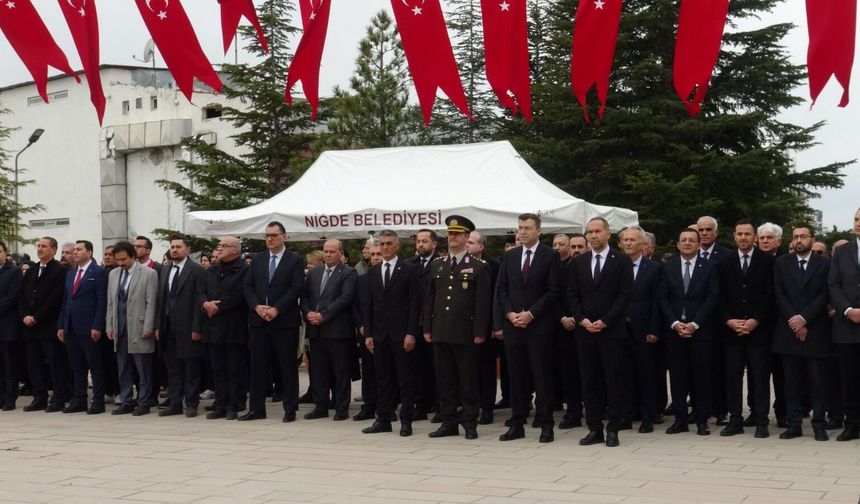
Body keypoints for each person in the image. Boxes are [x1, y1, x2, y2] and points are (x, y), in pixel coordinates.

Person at [423, 216, 491, 440]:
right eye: (450, 233)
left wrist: (480, 332)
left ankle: (470, 422)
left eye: (458, 234)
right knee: (446, 380)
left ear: (466, 237)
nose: (452, 237)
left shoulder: (478, 267)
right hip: (441, 330)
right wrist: (427, 326)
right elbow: (430, 298)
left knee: (468, 380)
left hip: (466, 333)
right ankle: (448, 421)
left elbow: (483, 303)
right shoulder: (438, 264)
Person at [567, 218, 634, 447]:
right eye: (589, 232)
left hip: (611, 331)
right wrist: (583, 319)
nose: (592, 235)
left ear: (608, 234)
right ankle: (594, 428)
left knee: (613, 380)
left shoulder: (621, 261)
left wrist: (605, 321)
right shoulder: (579, 262)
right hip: (585, 332)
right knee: (589, 380)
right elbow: (572, 295)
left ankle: (613, 428)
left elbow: (624, 295)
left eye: (597, 231)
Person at [496, 213, 560, 443]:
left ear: (539, 231)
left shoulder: (550, 256)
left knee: (541, 376)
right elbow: (501, 289)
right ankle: (517, 423)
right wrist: (510, 313)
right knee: (516, 377)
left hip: (538, 326)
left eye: (527, 228)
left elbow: (553, 291)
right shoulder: (511, 256)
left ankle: (545, 424)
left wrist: (531, 313)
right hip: (514, 325)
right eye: (520, 228)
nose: (522, 232)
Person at [241, 221, 304, 422]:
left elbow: (296, 288)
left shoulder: (294, 260)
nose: (269, 239)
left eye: (273, 235)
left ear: (284, 237)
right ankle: (256, 409)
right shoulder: (258, 259)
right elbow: (247, 287)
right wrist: (257, 307)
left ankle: (290, 408)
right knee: (258, 366)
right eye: (267, 235)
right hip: (259, 320)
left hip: (284, 321)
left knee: (287, 366)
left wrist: (277, 309)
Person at [361, 229, 421, 437]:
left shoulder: (409, 270)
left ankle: (406, 420)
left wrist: (411, 332)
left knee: (405, 379)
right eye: (382, 244)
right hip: (379, 334)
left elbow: (415, 304)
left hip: (402, 333)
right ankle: (383, 419)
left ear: (397, 246)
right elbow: (368, 306)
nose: (385, 247)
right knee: (382, 379)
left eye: (389, 244)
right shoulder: (373, 272)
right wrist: (368, 334)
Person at [717, 219, 774, 438]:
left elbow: (770, 295)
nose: (743, 238)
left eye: (747, 234)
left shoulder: (767, 262)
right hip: (731, 331)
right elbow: (719, 295)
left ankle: (761, 420)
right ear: (734, 236)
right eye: (739, 234)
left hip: (758, 331)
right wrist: (728, 320)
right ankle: (735, 420)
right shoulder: (724, 262)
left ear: (755, 237)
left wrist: (756, 320)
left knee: (759, 378)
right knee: (732, 378)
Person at [659, 228, 719, 435]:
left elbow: (712, 298)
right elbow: (662, 298)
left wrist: (695, 324)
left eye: (691, 240)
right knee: (677, 378)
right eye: (683, 240)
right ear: (677, 244)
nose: (687, 243)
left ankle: (702, 420)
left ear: (698, 244)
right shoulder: (668, 267)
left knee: (701, 377)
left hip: (700, 332)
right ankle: (680, 420)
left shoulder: (710, 267)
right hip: (675, 332)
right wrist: (675, 323)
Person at [773, 225, 831, 441]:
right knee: (792, 382)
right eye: (796, 237)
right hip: (788, 330)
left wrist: (804, 319)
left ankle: (819, 424)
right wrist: (795, 321)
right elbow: (779, 294)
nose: (799, 240)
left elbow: (825, 294)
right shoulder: (781, 263)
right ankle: (794, 423)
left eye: (803, 236)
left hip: (816, 330)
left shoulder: (824, 263)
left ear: (812, 239)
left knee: (818, 382)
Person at [301, 239, 357, 421]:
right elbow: (306, 296)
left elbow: (345, 298)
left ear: (341, 253)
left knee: (340, 370)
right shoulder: (315, 272)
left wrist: (324, 315)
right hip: (315, 329)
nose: (328, 255)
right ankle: (320, 405)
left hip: (337, 329)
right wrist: (308, 312)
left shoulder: (348, 272)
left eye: (332, 252)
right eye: (326, 251)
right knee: (319, 370)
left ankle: (341, 407)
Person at [105, 241, 158, 416]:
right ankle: (126, 400)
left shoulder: (149, 274)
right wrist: (110, 325)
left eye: (124, 259)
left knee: (143, 368)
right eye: (117, 259)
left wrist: (149, 326)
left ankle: (144, 401)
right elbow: (111, 302)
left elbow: (152, 302)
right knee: (123, 367)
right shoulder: (113, 274)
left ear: (133, 256)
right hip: (120, 327)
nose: (120, 263)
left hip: (139, 326)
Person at [155, 235, 206, 418]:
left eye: (178, 247)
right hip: (168, 325)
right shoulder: (166, 270)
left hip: (188, 326)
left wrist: (197, 328)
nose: (174, 250)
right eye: (172, 247)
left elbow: (200, 300)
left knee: (191, 367)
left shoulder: (197, 271)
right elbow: (161, 300)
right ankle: (175, 403)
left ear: (187, 250)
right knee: (173, 368)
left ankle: (191, 403)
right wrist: (158, 326)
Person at [58, 240, 109, 414]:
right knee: (77, 366)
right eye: (74, 250)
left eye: (79, 250)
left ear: (89, 252)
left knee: (95, 365)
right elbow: (66, 301)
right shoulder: (71, 273)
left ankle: (98, 400)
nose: (75, 253)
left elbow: (102, 301)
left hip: (89, 327)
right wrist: (62, 325)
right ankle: (79, 399)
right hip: (71, 326)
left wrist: (97, 325)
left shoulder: (99, 272)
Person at [620, 226, 663, 434]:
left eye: (632, 240)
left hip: (644, 328)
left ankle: (648, 416)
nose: (628, 243)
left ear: (642, 244)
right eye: (625, 240)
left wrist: (654, 328)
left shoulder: (653, 268)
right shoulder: (616, 265)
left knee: (646, 374)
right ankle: (626, 415)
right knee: (624, 374)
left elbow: (657, 301)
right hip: (619, 329)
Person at [201, 236, 248, 420]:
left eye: (224, 246)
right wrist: (205, 304)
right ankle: (220, 403)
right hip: (212, 326)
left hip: (233, 326)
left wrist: (217, 307)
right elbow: (201, 291)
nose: (219, 249)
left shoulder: (244, 270)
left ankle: (234, 404)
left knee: (234, 368)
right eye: (219, 246)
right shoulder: (212, 270)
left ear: (235, 250)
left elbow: (240, 295)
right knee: (217, 367)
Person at [828, 208, 860, 441]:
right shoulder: (841, 252)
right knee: (849, 379)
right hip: (846, 325)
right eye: (856, 220)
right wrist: (848, 310)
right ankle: (852, 425)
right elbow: (833, 284)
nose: (858, 224)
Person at [467, 230, 505, 424]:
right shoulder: (457, 264)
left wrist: (493, 325)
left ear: (481, 246)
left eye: (471, 242)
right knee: (468, 370)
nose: (467, 245)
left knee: (486, 370)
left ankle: (487, 407)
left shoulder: (494, 266)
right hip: (464, 327)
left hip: (486, 327)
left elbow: (495, 298)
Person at [407, 229, 440, 422]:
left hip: (435, 322)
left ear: (434, 244)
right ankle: (421, 405)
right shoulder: (409, 265)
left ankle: (439, 404)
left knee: (436, 366)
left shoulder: (441, 264)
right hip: (414, 323)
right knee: (417, 367)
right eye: (418, 241)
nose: (420, 245)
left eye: (424, 241)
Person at [553, 233, 583, 429]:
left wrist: (581, 317)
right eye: (573, 247)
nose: (576, 250)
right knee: (570, 373)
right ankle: (573, 412)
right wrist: (564, 317)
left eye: (580, 246)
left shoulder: (592, 267)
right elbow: (555, 296)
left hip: (588, 326)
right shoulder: (560, 270)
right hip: (566, 329)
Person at [351, 242, 383, 421]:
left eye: (379, 254)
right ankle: (369, 405)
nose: (376, 258)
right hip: (366, 332)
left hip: (386, 332)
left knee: (386, 371)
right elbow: (355, 306)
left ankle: (387, 406)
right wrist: (360, 325)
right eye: (373, 255)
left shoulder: (391, 277)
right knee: (369, 370)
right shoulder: (361, 280)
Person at [0, 241, 21, 410]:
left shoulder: (13, 271)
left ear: (4, 253)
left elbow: (12, 297)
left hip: (8, 326)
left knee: (10, 365)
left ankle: (10, 398)